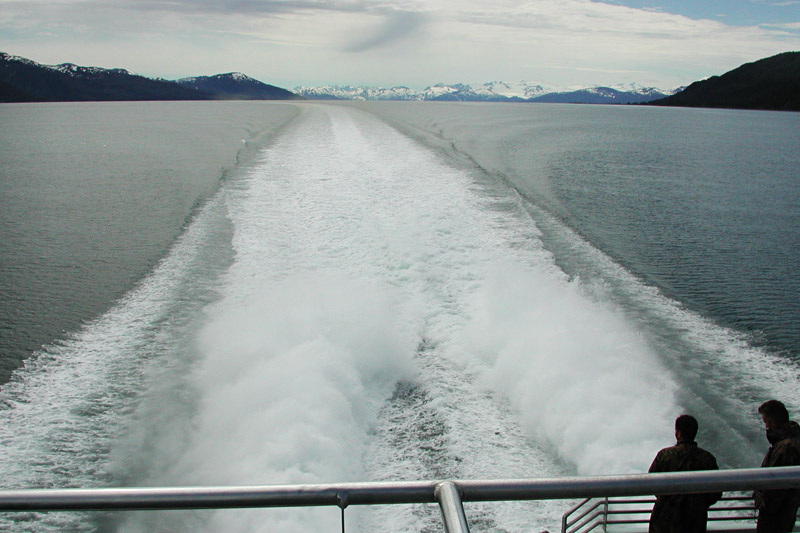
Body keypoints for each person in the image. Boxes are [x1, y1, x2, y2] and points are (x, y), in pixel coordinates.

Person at [648, 414, 721, 533]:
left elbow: (651, 483)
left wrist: (669, 499)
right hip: (695, 522)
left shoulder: (665, 455)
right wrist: (698, 504)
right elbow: (716, 492)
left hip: (664, 521)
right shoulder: (707, 459)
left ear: (679, 433)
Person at [755, 399, 800, 533]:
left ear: (772, 422)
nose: (766, 428)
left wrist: (763, 505)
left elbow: (775, 490)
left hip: (776, 519)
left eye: (766, 423)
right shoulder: (792, 442)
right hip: (786, 513)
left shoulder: (785, 449)